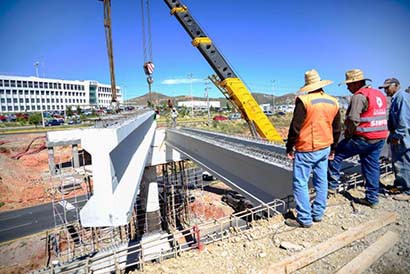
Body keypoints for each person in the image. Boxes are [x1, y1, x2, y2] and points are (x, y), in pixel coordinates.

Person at [285, 69, 341, 228]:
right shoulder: (333, 101)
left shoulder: (304, 100)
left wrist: (289, 147)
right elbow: (337, 128)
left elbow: (295, 127)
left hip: (306, 148)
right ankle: (318, 213)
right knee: (321, 180)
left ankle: (304, 218)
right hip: (325, 147)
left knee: (300, 183)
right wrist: (333, 148)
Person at [328, 69, 388, 208]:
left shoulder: (359, 96)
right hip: (379, 137)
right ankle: (372, 199)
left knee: (335, 154)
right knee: (371, 165)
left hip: (364, 137)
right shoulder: (378, 94)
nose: (348, 87)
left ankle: (331, 188)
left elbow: (353, 119)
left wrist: (347, 135)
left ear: (357, 83)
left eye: (349, 84)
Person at [379, 78, 410, 201]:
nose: (386, 90)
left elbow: (404, 120)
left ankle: (407, 191)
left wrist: (397, 135)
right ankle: (400, 185)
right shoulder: (397, 98)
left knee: (404, 163)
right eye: (384, 88)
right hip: (398, 136)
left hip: (403, 137)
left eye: (388, 87)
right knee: (398, 162)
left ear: (396, 85)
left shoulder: (402, 97)